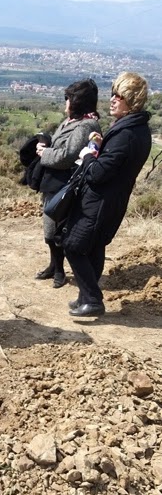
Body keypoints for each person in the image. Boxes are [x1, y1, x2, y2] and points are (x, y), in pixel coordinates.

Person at [62, 72, 152, 317]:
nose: (112, 99)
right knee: (94, 246)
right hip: (111, 201)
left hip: (100, 202)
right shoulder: (136, 129)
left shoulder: (126, 134)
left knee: (73, 246)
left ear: (131, 101)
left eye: (119, 96)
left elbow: (98, 173)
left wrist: (89, 155)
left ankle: (92, 300)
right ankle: (85, 296)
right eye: (113, 94)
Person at [35, 79, 101, 288]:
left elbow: (69, 156)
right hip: (54, 183)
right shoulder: (71, 122)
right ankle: (55, 266)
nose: (65, 102)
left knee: (57, 231)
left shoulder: (85, 125)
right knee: (50, 230)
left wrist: (45, 153)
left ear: (77, 101)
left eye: (68, 98)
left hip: (65, 186)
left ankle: (59, 271)